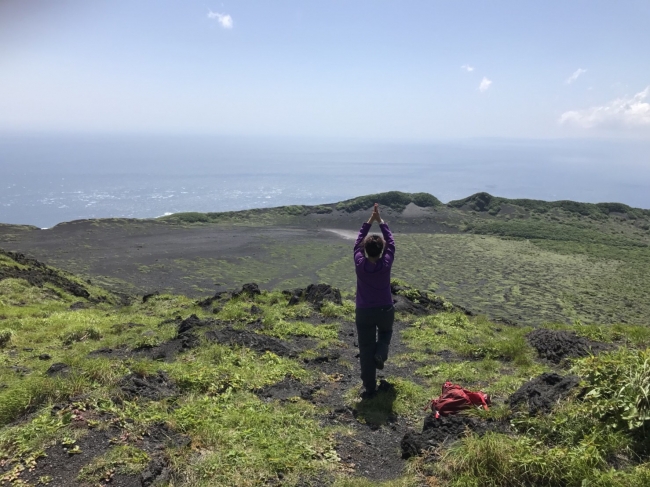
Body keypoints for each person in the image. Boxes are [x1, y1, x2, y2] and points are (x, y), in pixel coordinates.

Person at [354, 203, 395, 398]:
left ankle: (370, 387)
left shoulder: (360, 264)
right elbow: (391, 243)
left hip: (364, 311)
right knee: (386, 332)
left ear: (364, 250)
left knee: (365, 348)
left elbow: (358, 241)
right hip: (385, 308)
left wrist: (370, 220)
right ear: (381, 251)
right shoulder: (386, 263)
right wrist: (381, 222)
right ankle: (381, 351)